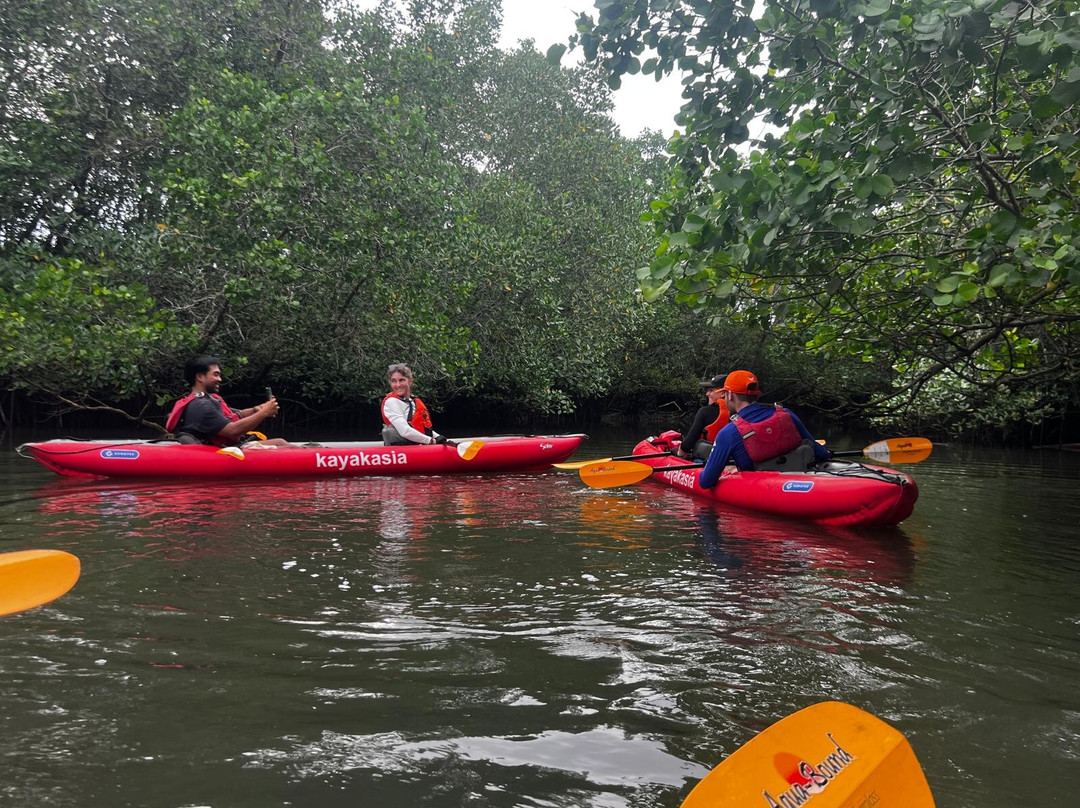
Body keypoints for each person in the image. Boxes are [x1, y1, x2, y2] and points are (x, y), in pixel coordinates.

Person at [699, 370, 831, 488]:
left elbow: (706, 482)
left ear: (730, 395)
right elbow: (820, 452)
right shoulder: (787, 414)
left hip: (763, 489)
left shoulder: (728, 433)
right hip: (797, 478)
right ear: (756, 394)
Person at [166, 356, 291, 448]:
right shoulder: (201, 405)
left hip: (227, 447)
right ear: (200, 377)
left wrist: (256, 409)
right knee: (285, 446)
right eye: (216, 375)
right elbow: (232, 430)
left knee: (281, 442)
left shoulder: (208, 399)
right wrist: (263, 413)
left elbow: (238, 415)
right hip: (218, 452)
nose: (220, 379)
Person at [381, 363, 452, 446]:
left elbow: (423, 428)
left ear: (410, 381)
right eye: (394, 381)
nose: (398, 385)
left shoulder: (413, 401)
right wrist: (430, 440)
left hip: (418, 446)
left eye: (401, 380)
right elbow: (405, 431)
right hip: (400, 450)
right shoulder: (391, 402)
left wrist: (439, 438)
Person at [675, 374, 731, 460]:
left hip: (706, 460)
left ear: (723, 393)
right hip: (731, 460)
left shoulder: (705, 412)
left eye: (711, 390)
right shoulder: (739, 412)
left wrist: (679, 455)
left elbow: (688, 444)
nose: (707, 394)